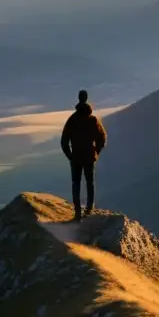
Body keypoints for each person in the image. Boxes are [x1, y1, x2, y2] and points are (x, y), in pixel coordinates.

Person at [60, 89, 107, 221]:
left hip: (76, 157)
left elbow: (64, 141)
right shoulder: (93, 120)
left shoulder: (72, 120)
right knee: (90, 182)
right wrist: (96, 151)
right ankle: (89, 209)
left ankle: (77, 213)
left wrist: (70, 156)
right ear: (86, 99)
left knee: (76, 183)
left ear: (79, 98)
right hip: (89, 156)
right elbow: (102, 137)